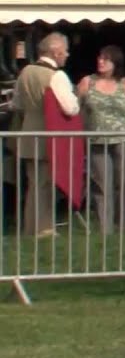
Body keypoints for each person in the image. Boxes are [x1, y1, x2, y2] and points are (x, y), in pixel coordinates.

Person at [11, 32, 79, 237]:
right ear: (56, 52)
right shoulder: (56, 76)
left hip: (28, 134)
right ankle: (44, 228)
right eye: (65, 51)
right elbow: (70, 108)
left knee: (34, 184)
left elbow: (17, 104)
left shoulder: (25, 72)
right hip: (49, 135)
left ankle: (31, 227)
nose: (67, 55)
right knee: (46, 184)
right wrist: (76, 98)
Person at [77, 45, 125, 234]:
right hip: (97, 141)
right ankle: (104, 229)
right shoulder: (87, 82)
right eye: (100, 58)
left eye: (106, 59)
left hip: (123, 140)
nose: (101, 61)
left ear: (115, 63)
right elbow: (75, 107)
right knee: (102, 186)